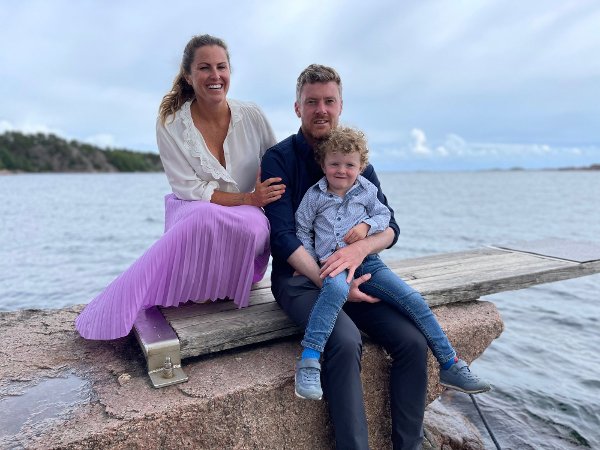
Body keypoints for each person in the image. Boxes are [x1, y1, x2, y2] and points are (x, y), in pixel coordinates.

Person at [75, 34, 285, 340]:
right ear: (188, 75)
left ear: (230, 71)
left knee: (254, 226)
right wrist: (249, 198)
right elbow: (190, 189)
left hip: (247, 214)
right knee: (203, 215)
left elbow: (278, 164)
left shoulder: (252, 115)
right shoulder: (170, 123)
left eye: (221, 67)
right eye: (204, 68)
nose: (215, 75)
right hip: (193, 209)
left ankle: (224, 281)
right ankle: (130, 299)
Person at [261, 63, 426, 449]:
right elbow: (281, 237)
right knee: (346, 341)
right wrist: (331, 283)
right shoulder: (278, 158)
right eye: (312, 102)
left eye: (329, 101)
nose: (321, 109)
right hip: (301, 280)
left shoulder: (355, 160)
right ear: (297, 107)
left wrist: (361, 247)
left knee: (413, 342)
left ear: (340, 106)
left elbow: (390, 227)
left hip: (357, 275)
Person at [292, 126, 491, 401]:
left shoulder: (367, 190)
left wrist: (366, 225)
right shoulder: (314, 196)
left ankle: (450, 363)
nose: (342, 170)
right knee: (335, 290)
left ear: (361, 167)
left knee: (413, 299)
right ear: (323, 164)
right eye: (334, 163)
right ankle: (309, 361)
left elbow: (384, 217)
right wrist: (311, 260)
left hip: (369, 263)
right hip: (334, 264)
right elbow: (302, 229)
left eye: (350, 165)